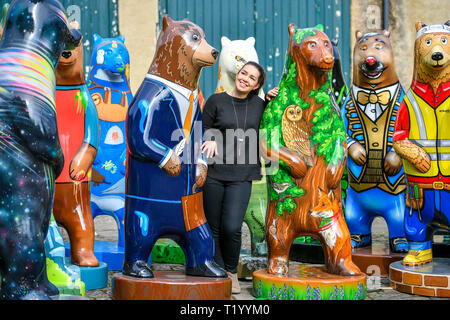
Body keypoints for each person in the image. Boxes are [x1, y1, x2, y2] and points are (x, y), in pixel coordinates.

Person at [202, 61, 278, 293]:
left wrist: (274, 99)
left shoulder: (260, 105)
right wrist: (210, 138)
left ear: (257, 85)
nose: (245, 78)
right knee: (213, 227)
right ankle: (216, 270)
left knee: (232, 227)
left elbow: (278, 118)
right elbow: (202, 129)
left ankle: (231, 272)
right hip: (214, 172)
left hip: (242, 175)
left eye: (252, 77)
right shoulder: (216, 100)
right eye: (243, 73)